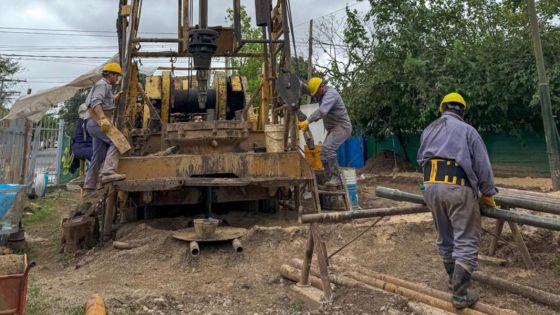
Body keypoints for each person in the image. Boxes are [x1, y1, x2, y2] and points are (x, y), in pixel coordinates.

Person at [417, 92, 498, 309]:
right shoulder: (467, 131)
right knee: (466, 238)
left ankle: (454, 283)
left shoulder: (429, 129)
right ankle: (460, 295)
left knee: (445, 236)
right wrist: (487, 192)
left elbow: (421, 159)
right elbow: (482, 165)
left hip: (430, 186)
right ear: (462, 111)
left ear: (442, 108)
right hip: (457, 187)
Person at [298, 77, 352, 186]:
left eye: (317, 93)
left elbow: (322, 111)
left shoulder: (331, 94)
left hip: (341, 127)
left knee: (328, 149)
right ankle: (330, 180)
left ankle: (335, 179)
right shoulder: (321, 94)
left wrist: (307, 121)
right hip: (334, 128)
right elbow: (308, 90)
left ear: (322, 87)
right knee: (323, 154)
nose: (316, 96)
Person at [83, 62, 125, 197]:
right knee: (119, 142)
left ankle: (89, 187)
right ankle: (108, 172)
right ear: (111, 75)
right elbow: (95, 102)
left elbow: (102, 101)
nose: (117, 79)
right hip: (98, 122)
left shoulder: (104, 86)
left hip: (93, 123)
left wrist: (114, 98)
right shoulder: (103, 84)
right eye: (117, 76)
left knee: (98, 155)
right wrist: (103, 118)